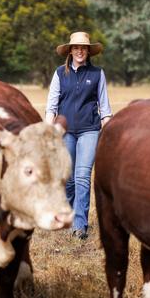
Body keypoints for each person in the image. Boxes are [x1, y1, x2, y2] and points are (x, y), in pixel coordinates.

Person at [45, 31, 112, 240]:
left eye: (83, 48)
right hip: (65, 132)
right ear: (70, 51)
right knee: (69, 180)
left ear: (88, 51)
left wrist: (108, 135)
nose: (80, 51)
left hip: (89, 130)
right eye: (76, 47)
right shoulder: (59, 74)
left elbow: (105, 108)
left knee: (82, 176)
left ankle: (79, 224)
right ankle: (67, 214)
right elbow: (51, 107)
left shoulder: (97, 74)